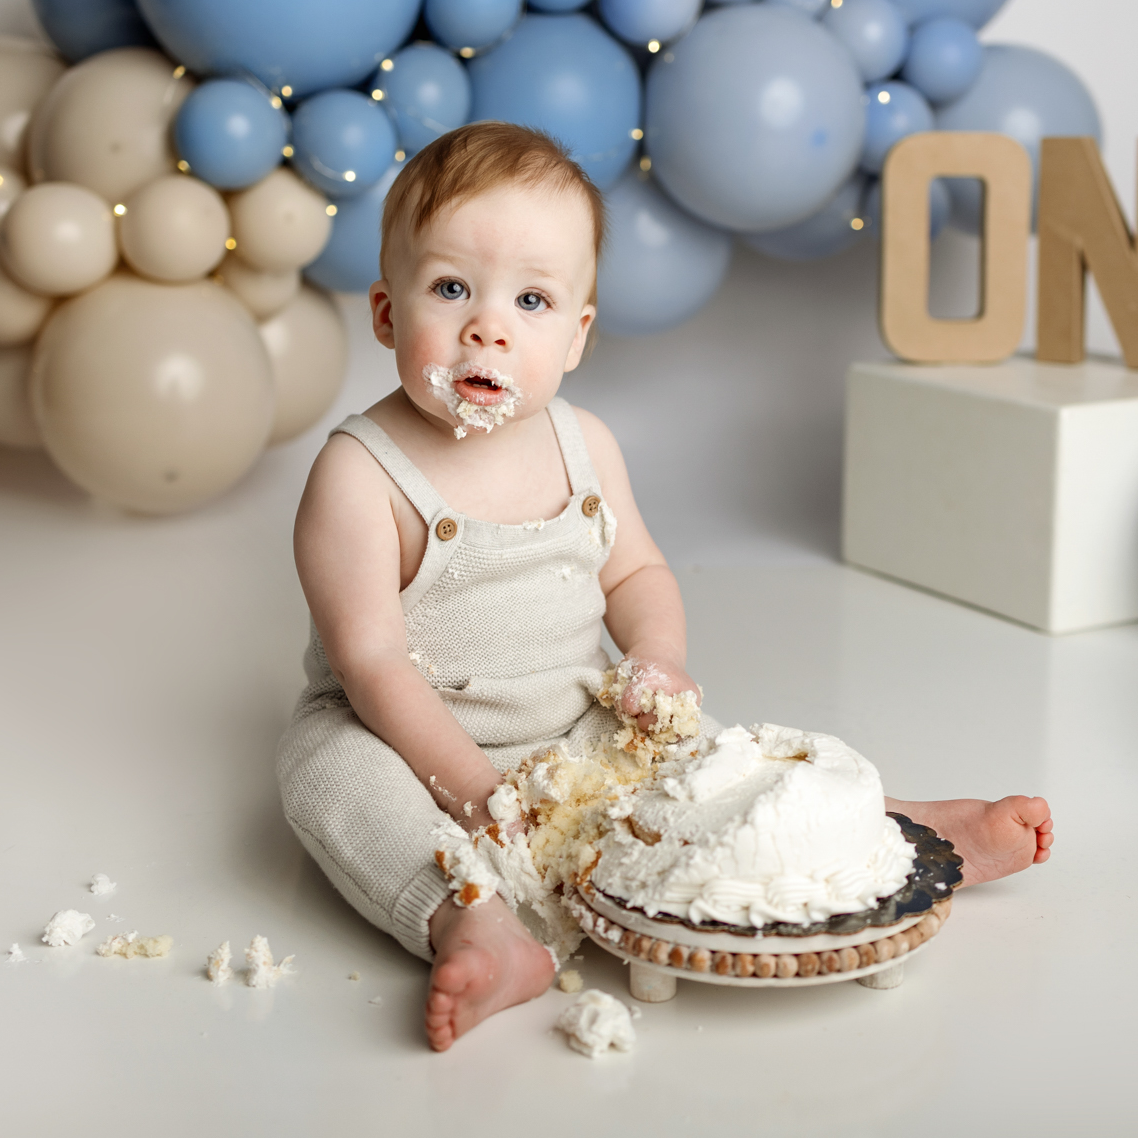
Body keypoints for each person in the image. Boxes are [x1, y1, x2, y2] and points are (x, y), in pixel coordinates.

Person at [278, 122, 1053, 1052]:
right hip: (400, 734)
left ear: (576, 336)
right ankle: (473, 923)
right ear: (385, 313)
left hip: (573, 722)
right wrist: (474, 788)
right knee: (329, 779)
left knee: (707, 766)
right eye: (451, 289)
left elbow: (637, 570)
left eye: (532, 299)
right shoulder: (361, 476)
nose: (489, 325)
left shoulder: (586, 446)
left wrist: (657, 655)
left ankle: (887, 838)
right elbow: (370, 662)